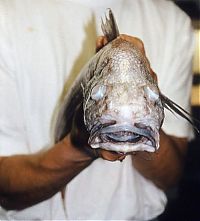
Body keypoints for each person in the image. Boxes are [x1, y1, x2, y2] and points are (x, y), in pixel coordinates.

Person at [0, 0, 194, 220]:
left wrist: (139, 115)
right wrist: (80, 146)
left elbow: (170, 176)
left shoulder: (173, 22)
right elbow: (5, 188)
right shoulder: (5, 14)